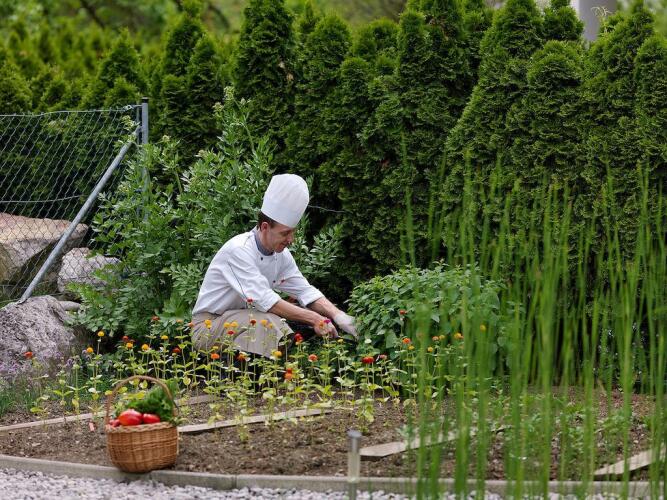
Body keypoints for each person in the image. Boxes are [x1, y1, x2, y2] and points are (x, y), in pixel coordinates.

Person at [191, 174, 357, 358]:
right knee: (271, 324)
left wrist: (338, 316)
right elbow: (266, 301)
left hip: (243, 318)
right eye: (285, 233)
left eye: (293, 232)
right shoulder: (238, 250)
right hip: (208, 327)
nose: (291, 240)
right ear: (264, 227)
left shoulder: (281, 255)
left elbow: (304, 291)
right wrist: (316, 319)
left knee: (288, 322)